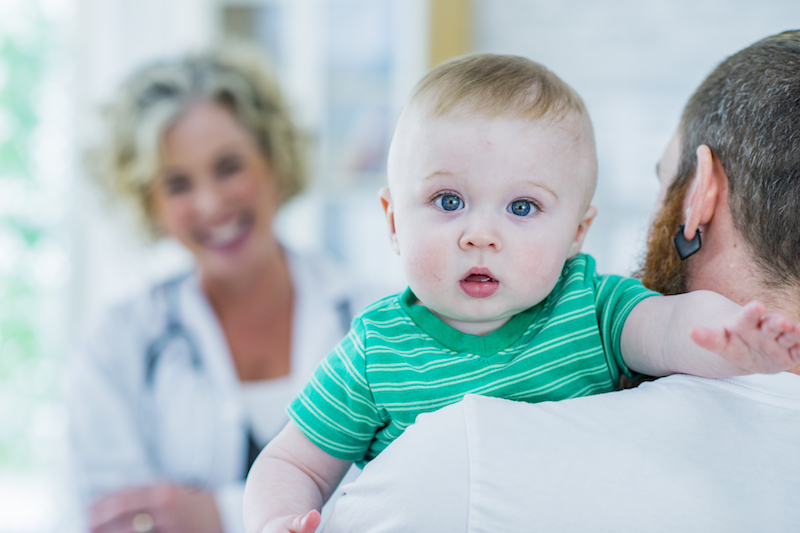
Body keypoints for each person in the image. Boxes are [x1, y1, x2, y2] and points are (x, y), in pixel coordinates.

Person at [242, 52, 800, 533]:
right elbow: (294, 464)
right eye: (448, 201)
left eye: (522, 208)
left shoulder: (589, 306)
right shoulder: (375, 352)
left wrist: (731, 336)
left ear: (577, 234)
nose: (481, 234)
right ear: (392, 221)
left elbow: (673, 326)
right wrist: (277, 519)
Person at [66, 49, 380, 533]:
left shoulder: (376, 318)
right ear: (148, 203)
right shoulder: (118, 341)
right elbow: (115, 520)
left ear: (275, 160)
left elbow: (403, 502)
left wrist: (220, 514)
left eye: (229, 166)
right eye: (177, 184)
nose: (211, 203)